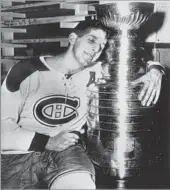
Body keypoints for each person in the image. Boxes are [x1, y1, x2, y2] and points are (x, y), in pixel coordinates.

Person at [1, 19, 165, 189]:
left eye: (102, 46)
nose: (96, 49)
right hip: (19, 153)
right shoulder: (25, 70)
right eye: (91, 40)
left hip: (66, 151)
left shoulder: (95, 71)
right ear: (73, 38)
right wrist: (47, 142)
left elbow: (132, 62)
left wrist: (155, 69)